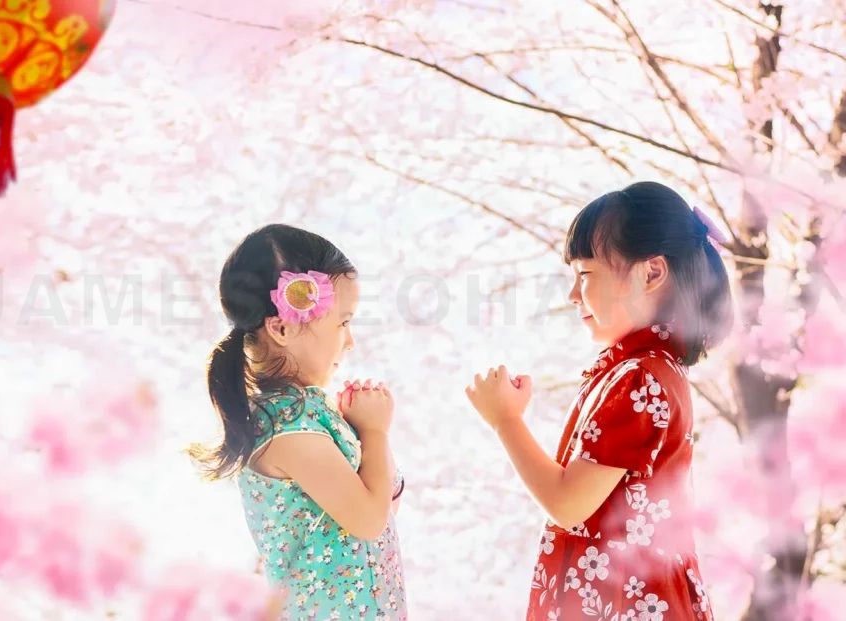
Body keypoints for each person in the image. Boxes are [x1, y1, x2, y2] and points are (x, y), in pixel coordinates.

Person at [465, 181, 733, 620]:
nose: (573, 295)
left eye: (585, 275)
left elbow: (569, 504)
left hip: (622, 601)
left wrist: (506, 421)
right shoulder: (645, 371)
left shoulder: (640, 378)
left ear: (651, 273)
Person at [188, 224, 407, 620]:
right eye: (343, 323)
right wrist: (375, 432)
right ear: (282, 327)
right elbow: (370, 521)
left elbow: (380, 508)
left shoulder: (311, 413)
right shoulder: (286, 430)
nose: (350, 340)